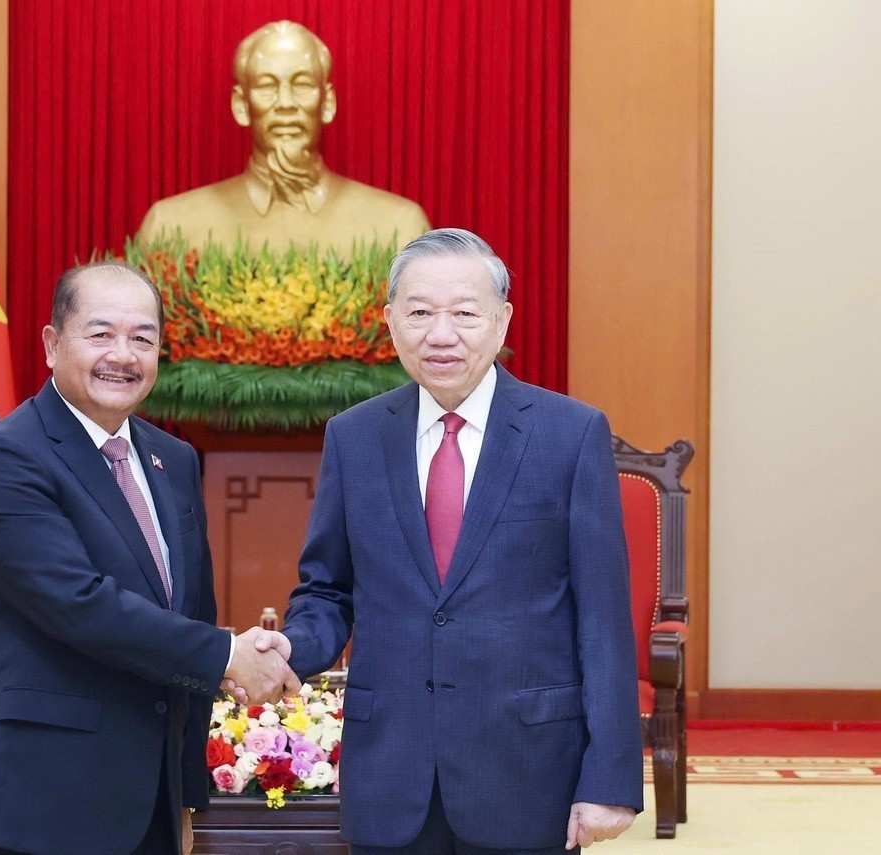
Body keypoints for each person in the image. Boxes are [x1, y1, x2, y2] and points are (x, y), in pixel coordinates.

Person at [275, 229, 643, 853]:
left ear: (502, 322)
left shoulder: (570, 434)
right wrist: (290, 647)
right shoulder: (354, 437)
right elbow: (328, 590)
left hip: (528, 769)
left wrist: (610, 778)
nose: (440, 335)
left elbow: (604, 619)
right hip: (391, 772)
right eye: (420, 313)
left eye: (465, 314)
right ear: (391, 322)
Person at [0, 260, 300, 855]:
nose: (122, 356)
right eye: (100, 334)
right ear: (52, 345)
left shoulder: (173, 459)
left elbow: (190, 612)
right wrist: (229, 655)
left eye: (142, 339)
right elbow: (78, 604)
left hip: (147, 806)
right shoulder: (7, 456)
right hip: (36, 801)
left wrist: (185, 795)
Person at [136, 20, 430, 255]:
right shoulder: (170, 227)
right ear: (241, 105)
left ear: (327, 102)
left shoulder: (399, 226)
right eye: (267, 86)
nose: (286, 103)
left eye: (302, 84)